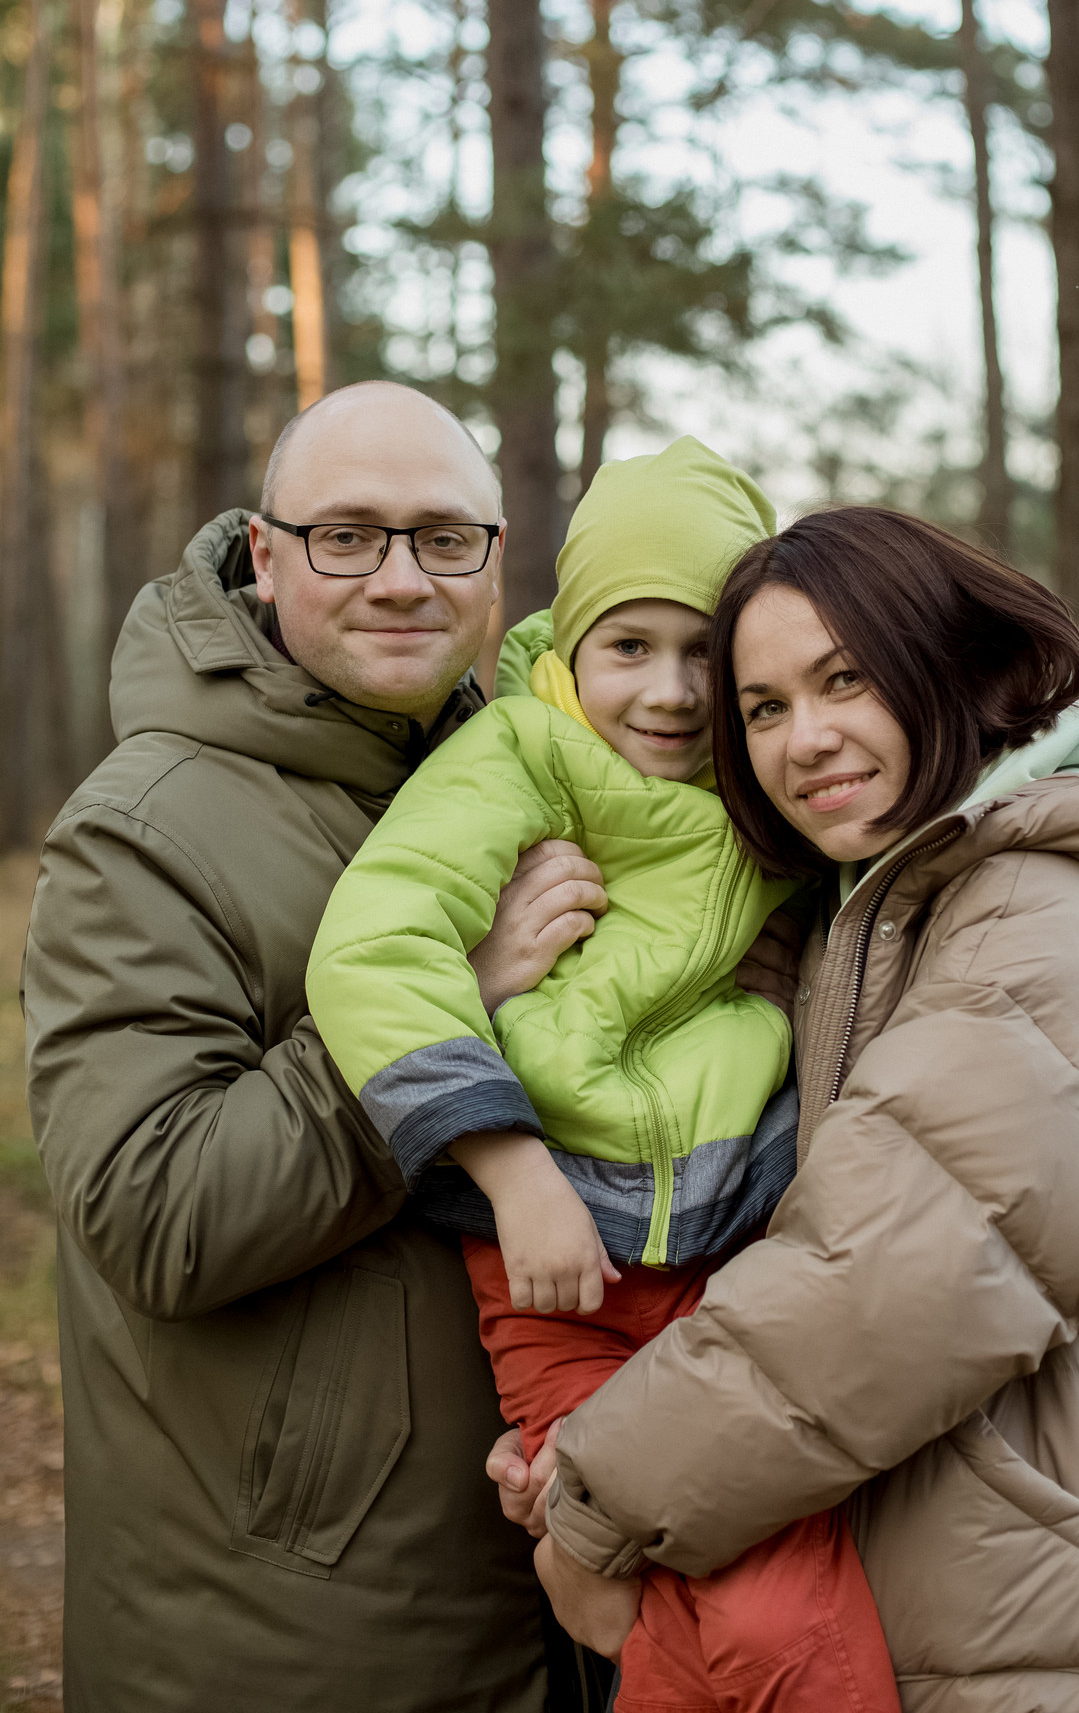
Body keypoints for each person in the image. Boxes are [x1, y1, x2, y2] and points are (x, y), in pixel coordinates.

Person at [502, 505, 1079, 1713]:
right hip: (914, 1586)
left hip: (995, 1618)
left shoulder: (1038, 921)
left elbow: (864, 1292)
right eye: (761, 709)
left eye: (842, 679)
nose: (802, 739)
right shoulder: (893, 905)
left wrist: (595, 1506)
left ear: (948, 660)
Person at [22, 381, 616, 1713]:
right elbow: (157, 1212)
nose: (401, 579)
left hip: (550, 1580)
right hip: (295, 1630)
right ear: (265, 554)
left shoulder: (525, 782)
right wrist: (437, 1015)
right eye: (349, 536)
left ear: (495, 562)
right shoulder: (146, 830)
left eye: (442, 538)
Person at [307, 439, 901, 1713]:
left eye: (705, 654)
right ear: (567, 645)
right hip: (548, 1278)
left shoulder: (771, 788)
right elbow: (373, 948)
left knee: (762, 1592)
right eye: (629, 645)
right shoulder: (520, 755)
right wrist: (509, 1167)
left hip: (730, 1270)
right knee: (659, 1587)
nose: (673, 692)